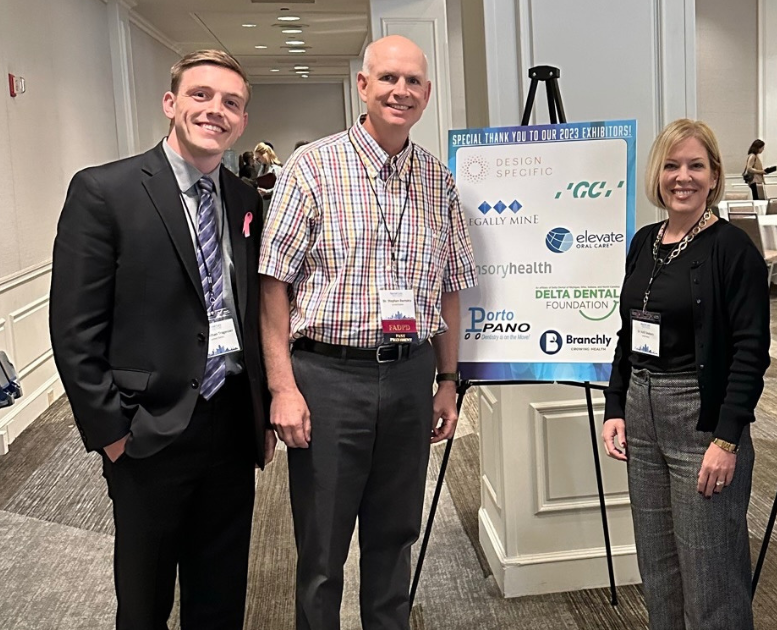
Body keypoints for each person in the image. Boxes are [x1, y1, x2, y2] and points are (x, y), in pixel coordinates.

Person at [49, 49, 274, 629]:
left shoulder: (244, 200)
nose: (215, 111)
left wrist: (263, 409)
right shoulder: (105, 191)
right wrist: (113, 435)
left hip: (229, 423)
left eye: (231, 103)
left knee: (221, 592)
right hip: (146, 430)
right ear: (171, 103)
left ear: (243, 121)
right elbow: (75, 330)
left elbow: (246, 312)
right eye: (201, 95)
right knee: (145, 601)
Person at [259, 35, 476, 630]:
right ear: (363, 85)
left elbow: (452, 288)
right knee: (323, 550)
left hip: (409, 376)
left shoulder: (438, 181)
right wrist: (283, 386)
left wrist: (448, 379)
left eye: (413, 82)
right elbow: (272, 284)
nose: (400, 91)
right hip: (327, 378)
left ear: (427, 94)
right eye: (388, 79)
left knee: (395, 539)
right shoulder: (312, 167)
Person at [601, 119, 770, 629]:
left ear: (715, 176)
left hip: (701, 418)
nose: (683, 177)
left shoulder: (732, 248)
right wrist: (616, 406)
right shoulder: (645, 241)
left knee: (711, 573)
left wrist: (727, 438)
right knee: (658, 567)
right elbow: (627, 333)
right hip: (642, 411)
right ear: (658, 174)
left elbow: (751, 350)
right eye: (672, 165)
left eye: (696, 165)